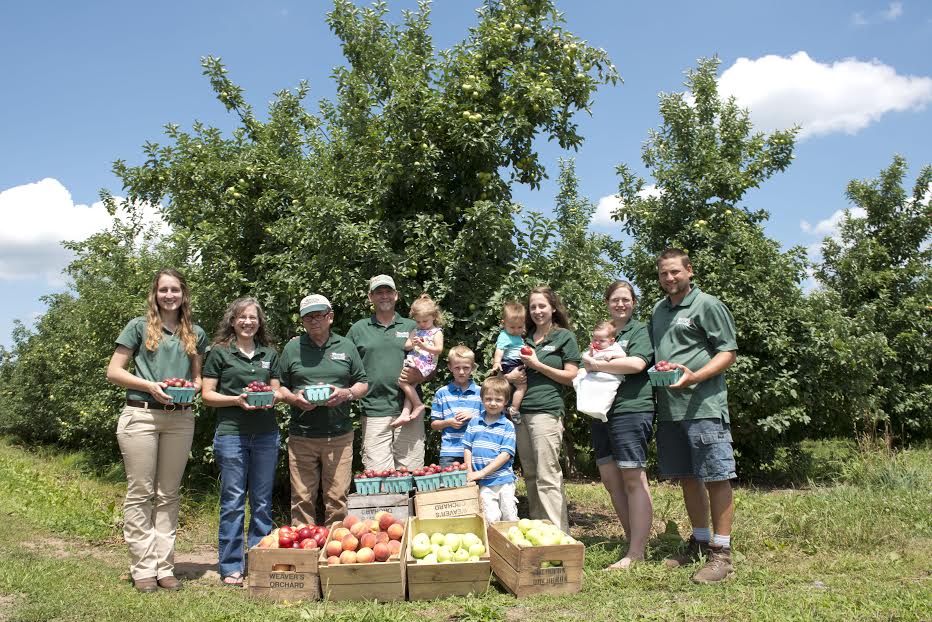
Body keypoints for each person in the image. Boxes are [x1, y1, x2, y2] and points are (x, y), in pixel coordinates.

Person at [106, 269, 208, 593]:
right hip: (141, 416)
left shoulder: (195, 333)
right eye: (163, 290)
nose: (169, 295)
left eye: (174, 290)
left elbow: (197, 379)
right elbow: (114, 371)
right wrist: (150, 386)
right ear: (155, 294)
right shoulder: (138, 327)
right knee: (140, 493)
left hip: (180, 418)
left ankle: (165, 568)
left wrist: (191, 389)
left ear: (183, 294)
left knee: (169, 494)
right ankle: (143, 569)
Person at [650, 248, 738, 584]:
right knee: (688, 476)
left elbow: (727, 352)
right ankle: (700, 542)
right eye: (663, 274)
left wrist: (696, 377)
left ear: (689, 271)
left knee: (716, 475)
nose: (669, 278)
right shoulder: (659, 311)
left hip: (703, 405)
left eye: (675, 272)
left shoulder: (708, 305)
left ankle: (722, 553)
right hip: (671, 410)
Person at [200, 297, 281, 587]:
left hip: (266, 434)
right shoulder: (220, 353)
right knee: (233, 501)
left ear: (259, 323)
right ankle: (231, 566)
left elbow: (277, 390)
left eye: (253, 318)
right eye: (242, 317)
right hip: (232, 434)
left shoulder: (269, 353)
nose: (248, 322)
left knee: (262, 502)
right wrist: (236, 399)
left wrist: (274, 396)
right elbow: (207, 395)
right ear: (232, 321)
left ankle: (258, 562)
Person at [276, 294, 368, 527]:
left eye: (319, 315)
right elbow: (278, 386)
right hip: (302, 436)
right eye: (308, 317)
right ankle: (304, 551)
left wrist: (345, 393)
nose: (314, 321)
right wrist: (294, 398)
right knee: (302, 499)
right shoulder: (292, 347)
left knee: (337, 499)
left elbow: (363, 384)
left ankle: (333, 552)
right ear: (302, 321)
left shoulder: (346, 346)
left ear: (330, 317)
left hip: (339, 436)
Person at [585, 281, 655, 570]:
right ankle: (632, 541)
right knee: (611, 480)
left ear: (634, 303)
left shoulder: (638, 331)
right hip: (600, 411)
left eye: (626, 299)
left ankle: (636, 553)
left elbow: (637, 364)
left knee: (632, 477)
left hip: (631, 407)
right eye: (615, 299)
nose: (620, 304)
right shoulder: (602, 333)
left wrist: (597, 365)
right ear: (607, 302)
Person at [504, 286, 580, 533]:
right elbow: (505, 371)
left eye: (542, 306)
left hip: (546, 411)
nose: (537, 311)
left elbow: (572, 376)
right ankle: (540, 532)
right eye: (533, 307)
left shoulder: (563, 337)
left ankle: (559, 535)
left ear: (553, 308)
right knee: (530, 474)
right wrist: (509, 376)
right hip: (519, 414)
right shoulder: (521, 338)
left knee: (548, 475)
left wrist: (538, 364)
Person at [347, 275, 427, 471]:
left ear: (396, 295)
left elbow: (430, 362)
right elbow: (342, 363)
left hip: (408, 412)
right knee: (379, 477)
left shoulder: (412, 326)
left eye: (388, 292)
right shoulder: (358, 329)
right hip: (374, 411)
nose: (384, 296)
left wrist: (421, 376)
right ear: (370, 297)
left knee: (411, 473)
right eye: (379, 292)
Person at [463, 375, 519, 524]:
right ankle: (493, 546)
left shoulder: (507, 425)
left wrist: (481, 472)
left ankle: (511, 546)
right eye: (488, 399)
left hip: (503, 480)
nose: (493, 403)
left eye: (498, 400)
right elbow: (467, 447)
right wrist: (469, 471)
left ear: (506, 401)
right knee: (490, 518)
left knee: (509, 516)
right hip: (484, 483)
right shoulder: (474, 422)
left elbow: (505, 455)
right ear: (482, 399)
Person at [391, 293, 444, 428]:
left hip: (426, 363)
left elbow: (439, 350)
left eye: (425, 321)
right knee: (411, 385)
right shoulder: (416, 330)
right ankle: (406, 412)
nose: (422, 324)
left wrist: (424, 346)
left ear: (434, 316)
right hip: (415, 360)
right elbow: (406, 345)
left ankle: (418, 404)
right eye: (418, 321)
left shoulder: (436, 332)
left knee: (402, 382)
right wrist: (414, 344)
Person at [430, 345, 483, 467]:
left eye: (466, 368)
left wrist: (473, 416)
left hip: (475, 449)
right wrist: (448, 422)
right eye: (457, 368)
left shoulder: (480, 392)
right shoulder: (442, 393)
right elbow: (434, 424)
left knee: (474, 484)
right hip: (449, 452)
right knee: (450, 485)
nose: (461, 372)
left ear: (473, 368)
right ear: (450, 367)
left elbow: (489, 420)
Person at [574, 320, 628, 423]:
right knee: (581, 382)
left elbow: (623, 355)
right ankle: (585, 405)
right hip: (594, 374)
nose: (597, 343)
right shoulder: (594, 348)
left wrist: (613, 355)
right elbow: (585, 356)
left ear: (611, 341)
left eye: (602, 341)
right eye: (595, 339)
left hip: (611, 376)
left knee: (608, 391)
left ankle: (602, 410)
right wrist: (591, 359)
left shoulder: (614, 347)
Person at [490, 301, 528, 421]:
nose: (516, 330)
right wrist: (496, 363)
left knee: (508, 388)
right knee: (521, 386)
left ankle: (505, 407)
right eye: (512, 327)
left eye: (520, 327)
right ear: (503, 323)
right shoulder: (504, 336)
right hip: (511, 363)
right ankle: (514, 409)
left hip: (516, 363)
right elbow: (499, 350)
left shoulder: (517, 336)